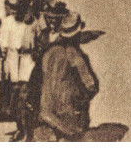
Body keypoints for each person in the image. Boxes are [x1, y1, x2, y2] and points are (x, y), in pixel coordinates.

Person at [35, 11, 98, 140]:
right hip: (70, 118)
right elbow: (91, 85)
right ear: (77, 34)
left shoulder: (48, 53)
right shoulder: (75, 55)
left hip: (47, 113)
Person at [0, 0, 37, 141]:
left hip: (27, 62)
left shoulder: (32, 23)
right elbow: (3, 45)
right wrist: (3, 65)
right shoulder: (7, 22)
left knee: (25, 97)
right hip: (12, 62)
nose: (13, 11)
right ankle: (20, 126)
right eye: (11, 7)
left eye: (16, 8)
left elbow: (38, 43)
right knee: (13, 99)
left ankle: (27, 129)